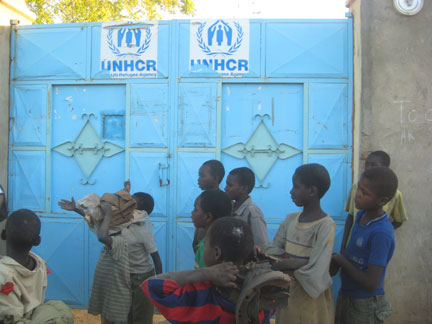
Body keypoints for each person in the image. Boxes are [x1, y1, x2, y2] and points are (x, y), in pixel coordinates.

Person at [141, 217, 275, 324]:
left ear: (216, 253)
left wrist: (204, 273)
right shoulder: (262, 290)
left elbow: (151, 285)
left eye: (206, 245)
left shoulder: (200, 293)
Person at [59, 190, 162, 324]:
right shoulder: (115, 224)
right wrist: (76, 209)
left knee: (141, 315)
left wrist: (158, 282)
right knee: (122, 314)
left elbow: (156, 258)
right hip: (121, 274)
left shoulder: (142, 229)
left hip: (142, 277)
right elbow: (94, 220)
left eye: (129, 202)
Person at [263, 163, 335, 324]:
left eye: (296, 187)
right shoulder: (290, 219)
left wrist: (285, 263)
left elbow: (318, 267)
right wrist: (301, 262)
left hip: (310, 296)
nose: (291, 191)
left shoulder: (325, 225)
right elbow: (273, 251)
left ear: (312, 191)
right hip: (287, 291)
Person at [331, 166, 398, 324]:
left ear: (382, 200)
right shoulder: (361, 215)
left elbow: (371, 283)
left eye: (364, 193)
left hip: (365, 303)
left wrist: (341, 261)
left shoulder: (381, 233)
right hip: (347, 294)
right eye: (358, 189)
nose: (357, 195)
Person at [0, 209, 73, 323]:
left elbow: (10, 318)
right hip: (34, 315)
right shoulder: (40, 263)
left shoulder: (3, 273)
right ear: (37, 241)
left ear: (3, 234)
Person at [340, 151, 407, 253]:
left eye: (373, 165)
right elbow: (350, 216)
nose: (368, 168)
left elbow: (399, 220)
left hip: (372, 248)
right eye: (367, 164)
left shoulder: (395, 194)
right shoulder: (356, 188)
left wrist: (379, 232)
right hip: (353, 243)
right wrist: (343, 245)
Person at [225, 167, 269, 247]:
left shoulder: (252, 212)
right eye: (226, 184)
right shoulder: (231, 208)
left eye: (230, 185)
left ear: (244, 189)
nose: (226, 188)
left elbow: (261, 244)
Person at [192, 189, 232, 269]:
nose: (192, 212)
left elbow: (203, 278)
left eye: (196, 210)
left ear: (208, 217)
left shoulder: (207, 247)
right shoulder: (228, 241)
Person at [193, 160, 226, 252]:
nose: (198, 179)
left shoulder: (223, 201)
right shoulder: (200, 198)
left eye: (202, 176)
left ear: (215, 178)